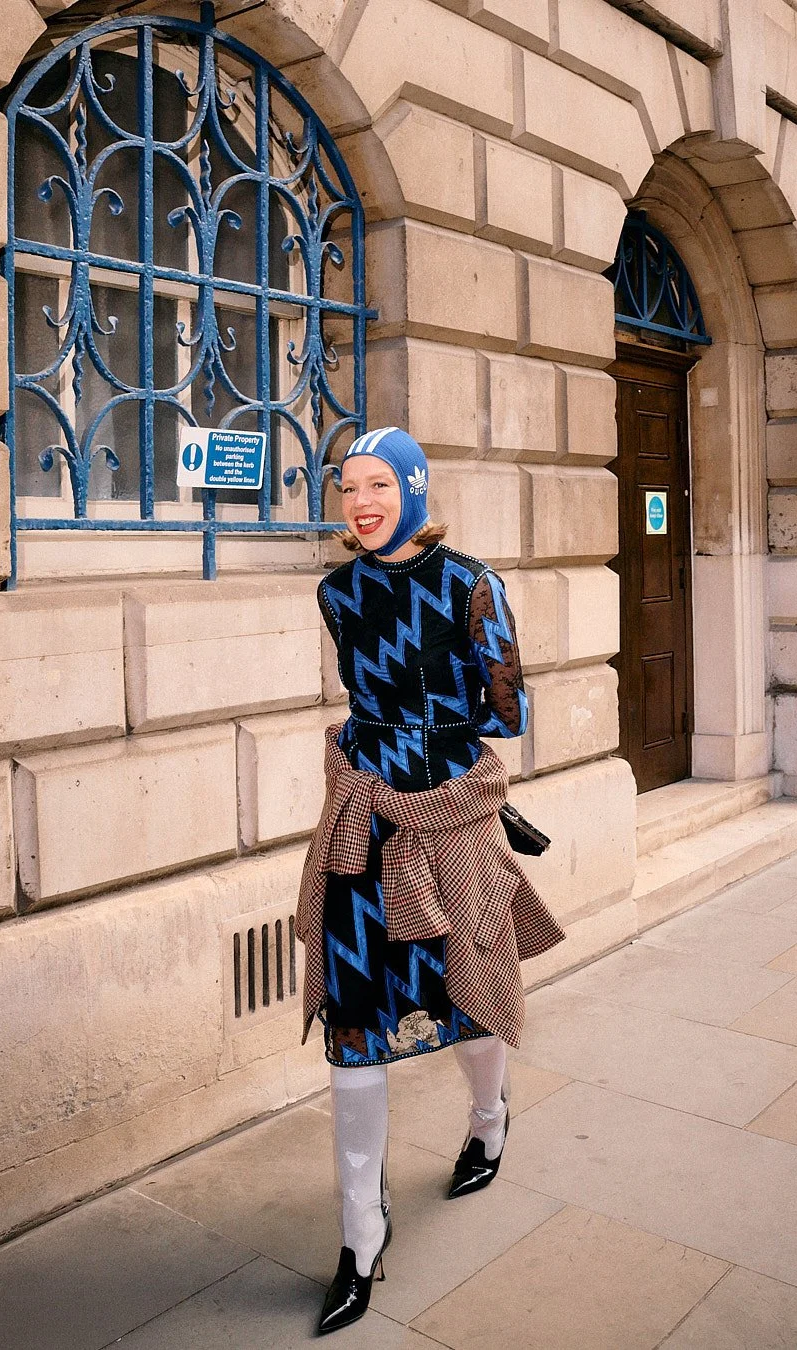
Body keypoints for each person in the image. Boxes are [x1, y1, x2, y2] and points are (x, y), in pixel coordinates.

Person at [295, 426, 564, 1335]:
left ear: (412, 489)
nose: (360, 503)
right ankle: (359, 1232)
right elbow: (361, 700)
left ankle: (489, 1117)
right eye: (346, 488)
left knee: (471, 994)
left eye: (378, 484)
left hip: (450, 814)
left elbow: (510, 709)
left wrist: (432, 722)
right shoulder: (337, 594)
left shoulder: (472, 584)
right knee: (355, 1020)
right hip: (363, 822)